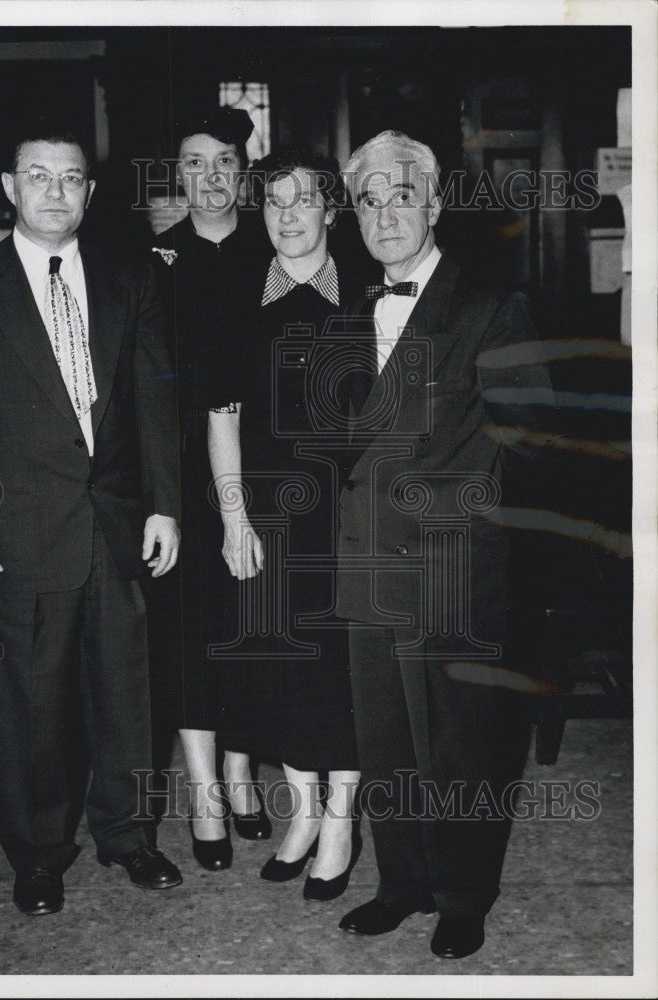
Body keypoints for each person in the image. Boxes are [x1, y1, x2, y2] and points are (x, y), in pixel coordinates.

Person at [0, 118, 183, 915]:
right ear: (8, 189)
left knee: (127, 686)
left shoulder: (128, 279)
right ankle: (38, 853)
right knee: (34, 698)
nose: (56, 192)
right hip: (20, 525)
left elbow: (156, 403)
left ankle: (130, 835)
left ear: (90, 192)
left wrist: (167, 507)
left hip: (116, 519)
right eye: (38, 176)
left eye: (71, 178)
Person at [335, 130, 554, 956]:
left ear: (433, 203)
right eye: (368, 199)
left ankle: (463, 894)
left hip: (451, 563)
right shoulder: (353, 308)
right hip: (366, 558)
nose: (384, 213)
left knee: (460, 743)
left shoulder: (492, 306)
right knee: (386, 739)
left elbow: (533, 434)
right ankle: (402, 882)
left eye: (400, 195)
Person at [207, 149, 363, 900]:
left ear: (333, 211)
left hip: (357, 515)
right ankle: (302, 813)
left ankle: (341, 820)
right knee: (285, 670)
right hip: (269, 516)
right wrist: (235, 519)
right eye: (274, 202)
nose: (289, 215)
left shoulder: (370, 291)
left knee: (347, 673)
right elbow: (221, 416)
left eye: (305, 201)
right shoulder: (235, 297)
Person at [146, 107, 274, 870]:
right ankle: (203, 791)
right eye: (194, 162)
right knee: (189, 626)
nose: (211, 176)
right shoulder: (152, 258)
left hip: (265, 461)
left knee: (252, 621)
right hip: (180, 469)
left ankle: (241, 770)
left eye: (224, 160)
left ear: (243, 169)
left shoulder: (276, 247)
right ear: (178, 174)